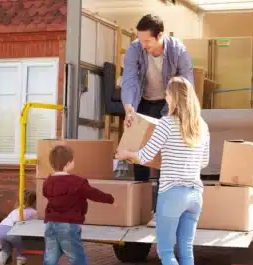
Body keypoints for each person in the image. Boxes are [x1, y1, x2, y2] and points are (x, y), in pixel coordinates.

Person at [116, 77, 210, 265]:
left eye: (167, 94)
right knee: (186, 251)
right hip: (195, 195)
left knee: (166, 252)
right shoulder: (202, 126)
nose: (165, 97)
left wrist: (125, 153)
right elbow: (204, 162)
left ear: (173, 97)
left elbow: (144, 156)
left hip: (172, 194)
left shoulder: (166, 124)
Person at [121, 14, 194, 224]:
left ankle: (160, 213)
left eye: (147, 41)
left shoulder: (177, 50)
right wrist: (129, 109)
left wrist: (181, 114)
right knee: (139, 153)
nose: (143, 45)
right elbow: (129, 79)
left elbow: (186, 83)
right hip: (142, 102)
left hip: (168, 104)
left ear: (160, 35)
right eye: (140, 40)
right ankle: (140, 209)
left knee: (165, 155)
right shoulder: (136, 49)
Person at [42, 145, 115, 265]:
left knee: (50, 257)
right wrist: (111, 199)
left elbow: (45, 194)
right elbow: (94, 194)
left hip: (50, 223)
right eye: (73, 160)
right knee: (77, 258)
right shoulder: (77, 182)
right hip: (68, 224)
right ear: (68, 163)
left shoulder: (48, 181)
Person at [0, 189, 38, 265]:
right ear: (34, 201)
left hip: (2, 229)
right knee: (22, 251)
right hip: (14, 231)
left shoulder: (16, 210)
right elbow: (34, 226)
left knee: (5, 250)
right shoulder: (33, 212)